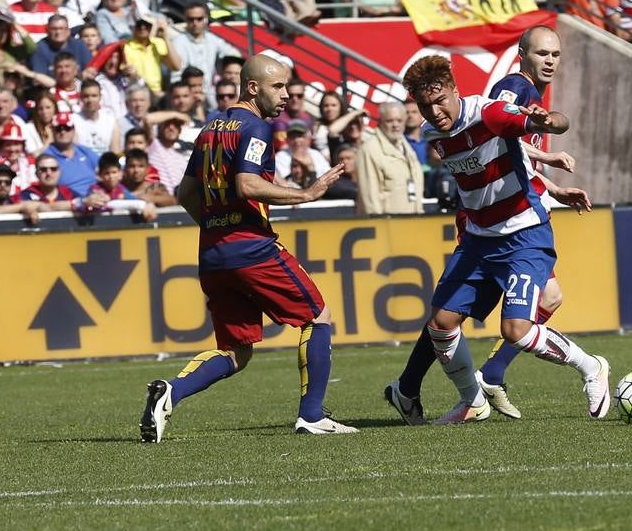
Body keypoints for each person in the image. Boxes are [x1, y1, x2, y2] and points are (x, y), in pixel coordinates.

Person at [139, 54, 355, 442]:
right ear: (252, 88)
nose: (286, 95)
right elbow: (247, 185)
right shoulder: (255, 128)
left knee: (236, 351)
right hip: (251, 247)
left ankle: (170, 392)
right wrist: (305, 193)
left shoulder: (209, 129)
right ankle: (312, 415)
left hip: (212, 252)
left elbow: (185, 192)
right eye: (278, 86)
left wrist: (213, 224)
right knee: (317, 317)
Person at [386, 52, 605, 426]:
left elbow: (543, 125)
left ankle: (592, 367)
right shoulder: (432, 132)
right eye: (425, 105)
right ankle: (473, 401)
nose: (434, 111)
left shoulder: (489, 113)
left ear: (455, 90)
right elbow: (512, 155)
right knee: (440, 323)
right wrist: (550, 184)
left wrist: (546, 121)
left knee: (516, 330)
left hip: (523, 234)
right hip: (477, 240)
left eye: (440, 101)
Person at [354, 100, 424, 216]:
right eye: (389, 121)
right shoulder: (369, 150)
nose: (395, 125)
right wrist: (378, 227)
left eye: (399, 120)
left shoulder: (405, 146)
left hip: (411, 223)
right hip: (386, 227)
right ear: (381, 122)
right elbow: (370, 199)